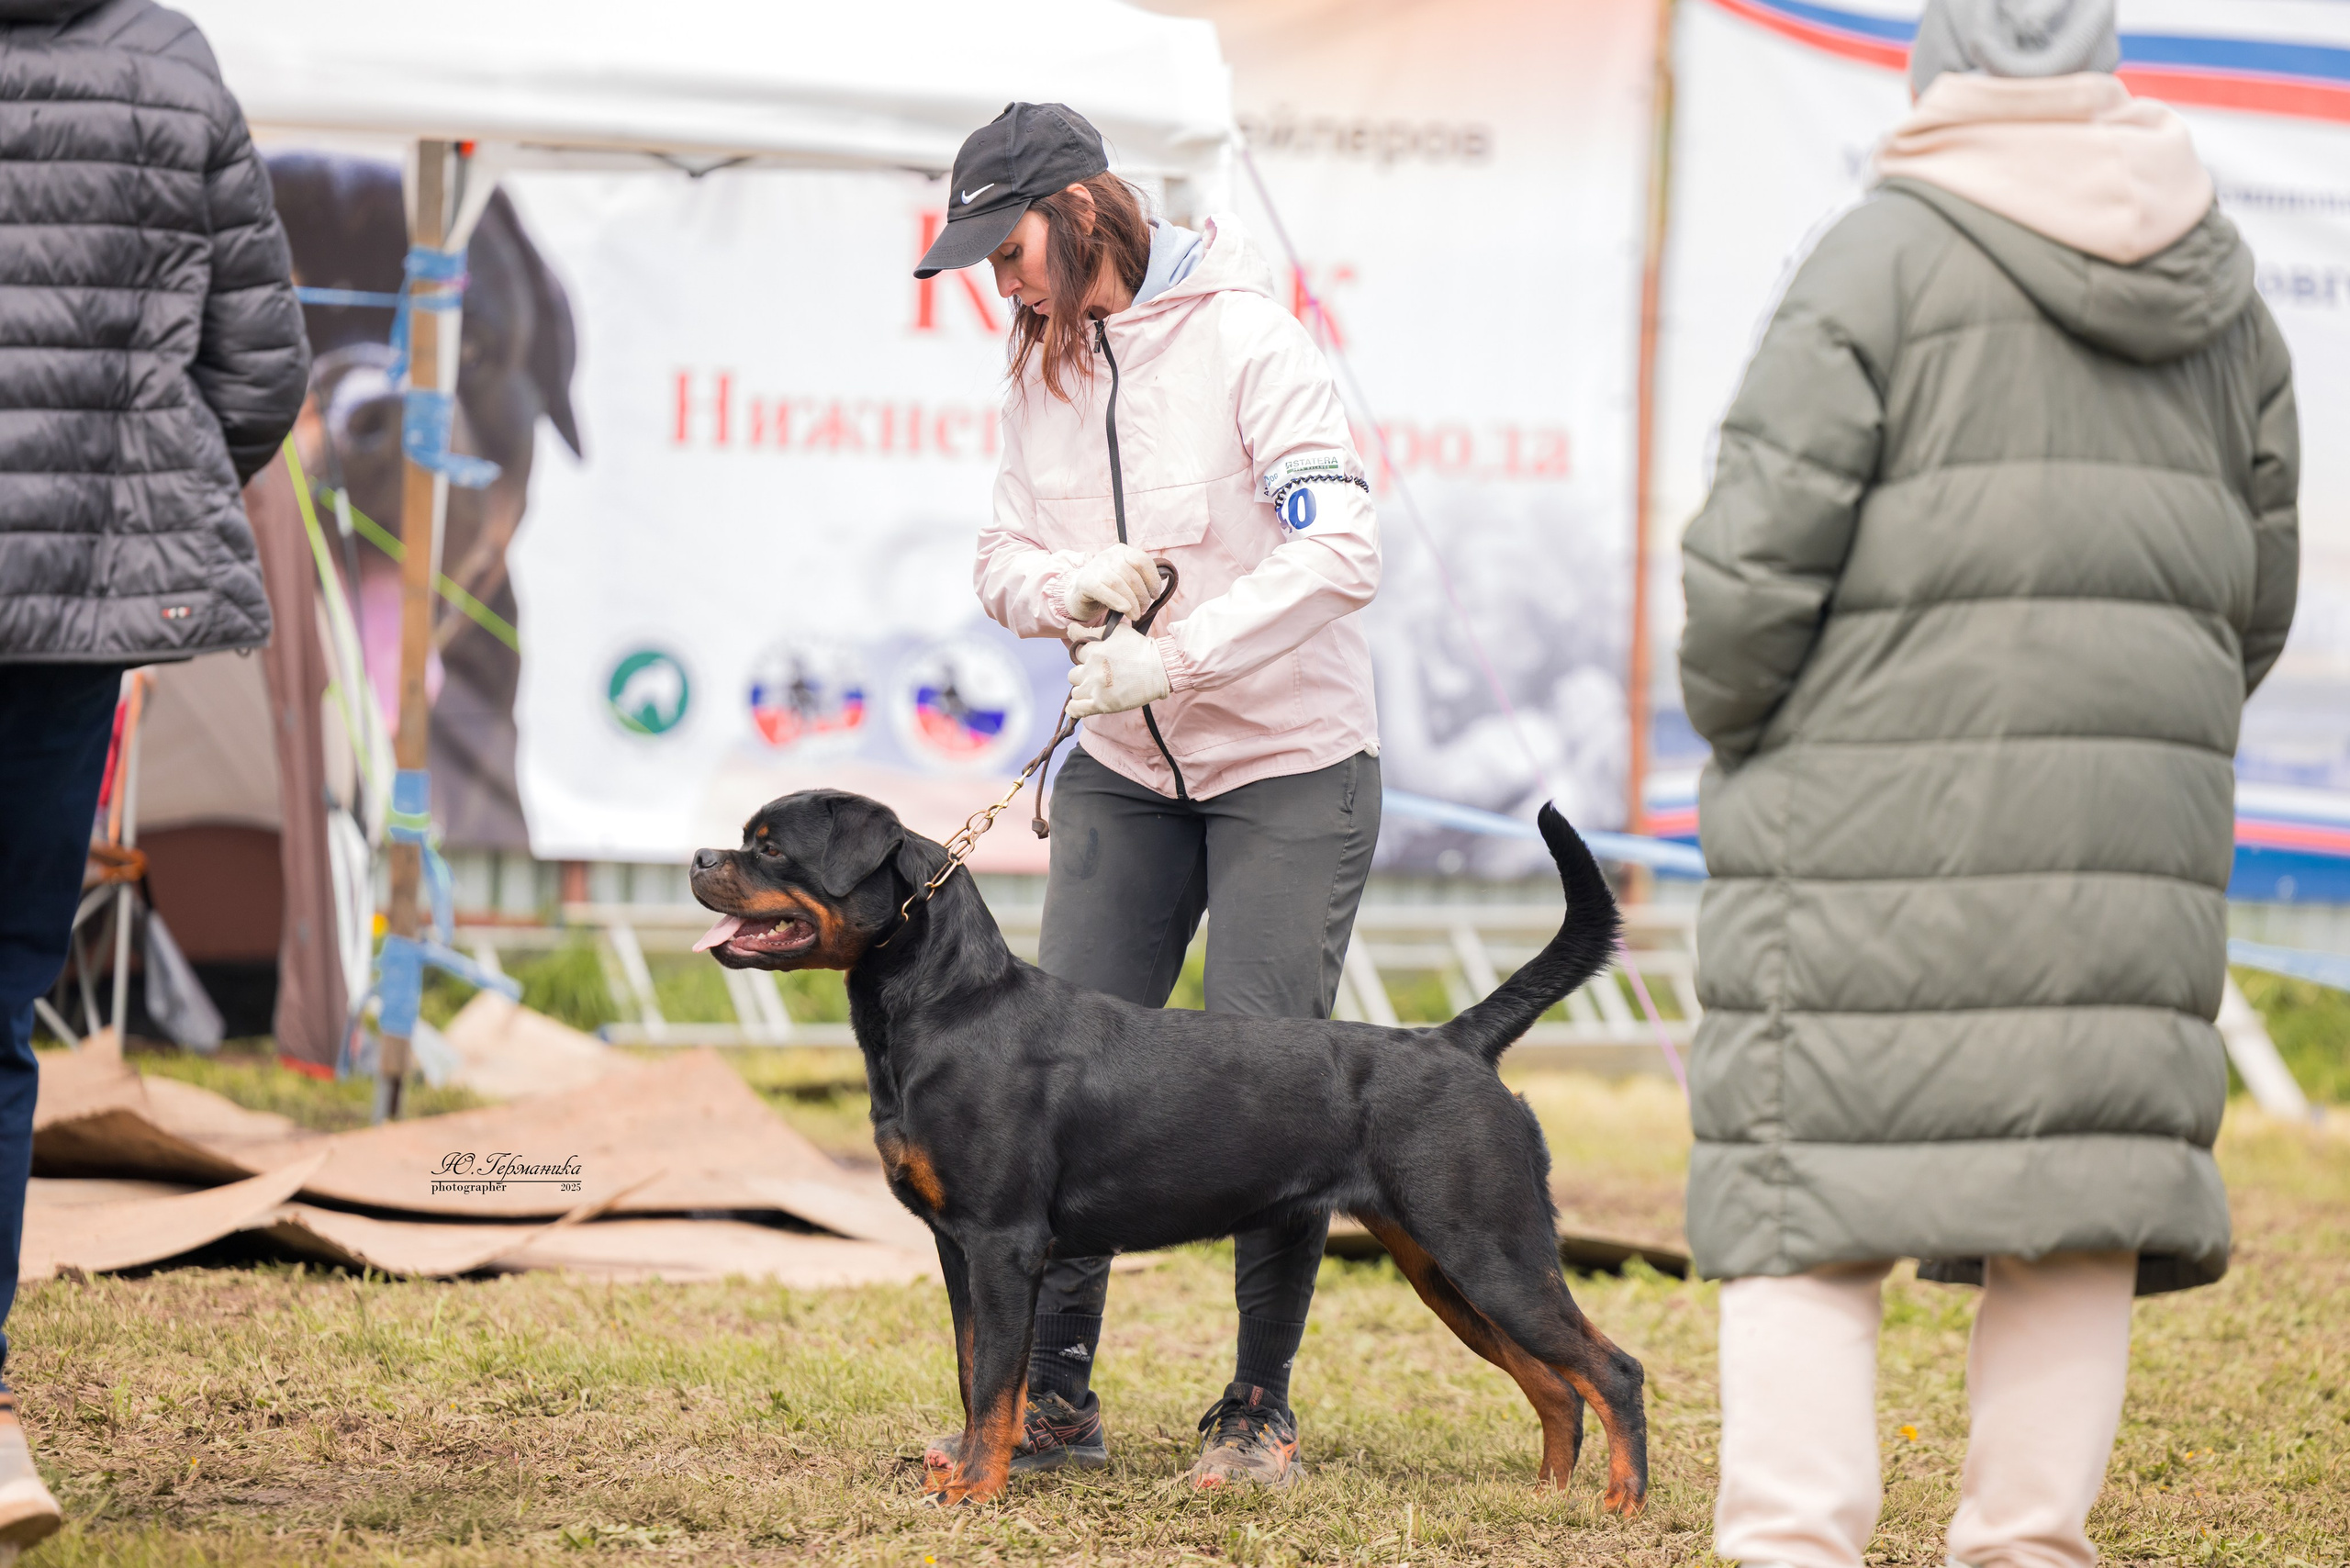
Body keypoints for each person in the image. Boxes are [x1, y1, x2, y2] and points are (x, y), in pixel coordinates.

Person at [1677, 2, 2299, 1564]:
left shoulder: (1873, 260)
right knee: (2076, 1207)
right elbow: (2260, 596)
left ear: (1937, 68)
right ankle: (2026, 1546)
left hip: (1859, 827)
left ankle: (1794, 1547)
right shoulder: (2229, 300)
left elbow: (1749, 584)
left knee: (1805, 1197)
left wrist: (1738, 721)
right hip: (2121, 843)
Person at [915, 102, 1382, 1490]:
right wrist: (1071, 590)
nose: (1001, 282)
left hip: (1289, 768)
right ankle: (1050, 1407)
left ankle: (1257, 1409)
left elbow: (1341, 548)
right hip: (1122, 774)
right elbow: (998, 553)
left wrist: (1180, 652)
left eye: (1010, 251)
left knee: (1267, 1079)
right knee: (1046, 1087)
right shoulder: (1035, 376)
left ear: (1082, 211)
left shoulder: (1253, 339)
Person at [0, 0, 309, 1548]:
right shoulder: (169, 61)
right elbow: (260, 367)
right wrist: (122, 514)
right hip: (64, 618)